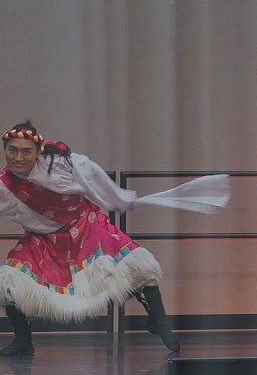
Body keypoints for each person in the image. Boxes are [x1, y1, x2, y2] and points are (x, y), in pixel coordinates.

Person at [0, 122, 230, 356]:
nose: (18, 157)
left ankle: (159, 321)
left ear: (38, 151)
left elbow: (95, 178)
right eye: (12, 150)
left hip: (85, 226)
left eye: (26, 151)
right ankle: (23, 342)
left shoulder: (62, 164)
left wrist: (120, 200)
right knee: (9, 280)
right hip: (43, 240)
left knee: (140, 267)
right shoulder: (4, 186)